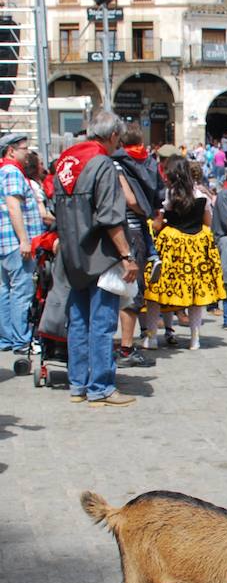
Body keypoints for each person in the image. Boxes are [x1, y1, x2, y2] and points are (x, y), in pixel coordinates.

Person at [53, 111, 138, 406]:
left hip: (73, 253)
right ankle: (100, 386)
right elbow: (110, 217)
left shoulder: (66, 160)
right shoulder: (102, 163)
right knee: (101, 322)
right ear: (113, 135)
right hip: (101, 255)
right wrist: (127, 255)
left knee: (78, 320)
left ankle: (78, 383)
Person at [142, 155, 225, 351]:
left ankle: (152, 336)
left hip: (171, 247)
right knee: (196, 294)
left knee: (156, 291)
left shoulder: (169, 195)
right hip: (195, 247)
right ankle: (195, 338)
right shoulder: (201, 196)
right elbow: (207, 223)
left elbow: (157, 224)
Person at [111, 125, 163, 369]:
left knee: (126, 287)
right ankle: (126, 345)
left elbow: (129, 199)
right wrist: (149, 212)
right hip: (140, 228)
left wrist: (140, 209)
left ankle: (125, 346)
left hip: (124, 228)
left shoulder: (116, 162)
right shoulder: (148, 161)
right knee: (132, 288)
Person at [0, 133, 43, 353]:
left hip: (6, 242)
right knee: (21, 290)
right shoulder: (12, 172)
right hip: (16, 243)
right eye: (24, 148)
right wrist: (24, 240)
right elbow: (13, 207)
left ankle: (8, 338)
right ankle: (20, 341)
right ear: (11, 150)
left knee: (6, 290)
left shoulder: (4, 170)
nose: (27, 152)